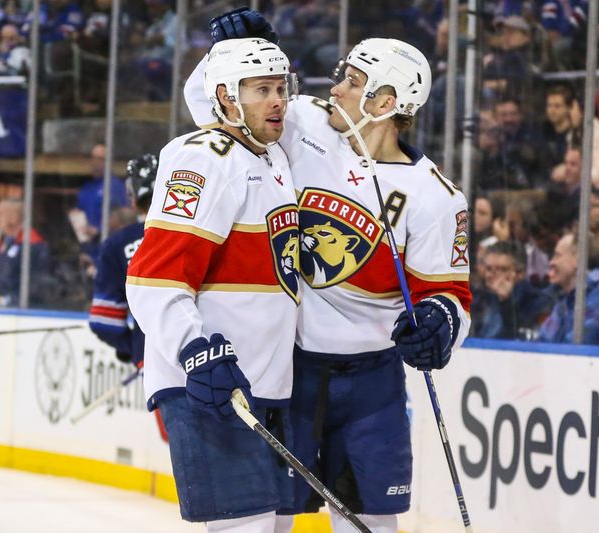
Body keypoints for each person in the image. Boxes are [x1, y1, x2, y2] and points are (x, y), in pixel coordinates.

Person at [188, 12, 472, 533]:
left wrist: (440, 323)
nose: (335, 89)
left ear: (386, 103)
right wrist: (231, 54)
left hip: (372, 383)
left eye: (353, 82)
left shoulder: (437, 197)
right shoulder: (304, 124)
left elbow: (449, 292)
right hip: (289, 368)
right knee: (269, 519)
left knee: (372, 523)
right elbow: (212, 106)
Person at [126, 38, 300, 532]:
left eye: (280, 88)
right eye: (261, 89)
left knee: (275, 525)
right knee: (246, 526)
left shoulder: (272, 159)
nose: (277, 101)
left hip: (263, 381)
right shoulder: (204, 156)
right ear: (226, 97)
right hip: (209, 380)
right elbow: (153, 276)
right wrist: (195, 350)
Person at [89, 154, 157, 367]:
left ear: (133, 199)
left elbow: (104, 321)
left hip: (154, 363)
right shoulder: (203, 235)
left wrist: (133, 346)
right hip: (214, 358)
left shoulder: (118, 244)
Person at [538, 232, 599, 346]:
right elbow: (542, 342)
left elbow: (572, 354)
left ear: (577, 259)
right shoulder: (566, 300)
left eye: (557, 255)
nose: (551, 262)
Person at [0, 197, 51, 307]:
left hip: (16, 313)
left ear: (13, 218)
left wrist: (6, 301)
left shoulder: (34, 246)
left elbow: (37, 287)